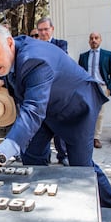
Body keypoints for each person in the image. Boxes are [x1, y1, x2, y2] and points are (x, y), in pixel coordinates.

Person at [0, 19, 111, 208]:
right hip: (46, 110)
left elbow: (33, 110)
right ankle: (39, 205)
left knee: (82, 168)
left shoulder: (34, 59)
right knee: (32, 157)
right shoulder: (12, 48)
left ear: (9, 43)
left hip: (75, 109)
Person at [36, 16, 69, 166]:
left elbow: (58, 61)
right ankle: (44, 157)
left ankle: (63, 155)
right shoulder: (34, 46)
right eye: (40, 30)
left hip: (57, 91)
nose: (43, 33)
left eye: (46, 29)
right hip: (41, 92)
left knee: (59, 126)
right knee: (42, 126)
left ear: (52, 29)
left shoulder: (61, 44)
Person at [78, 32, 111, 148]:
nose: (94, 40)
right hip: (87, 87)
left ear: (100, 40)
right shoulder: (83, 56)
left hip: (101, 86)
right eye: (91, 38)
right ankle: (86, 136)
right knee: (85, 112)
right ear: (89, 41)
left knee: (100, 113)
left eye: (96, 38)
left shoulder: (107, 55)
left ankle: (96, 138)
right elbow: (80, 73)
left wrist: (110, 87)